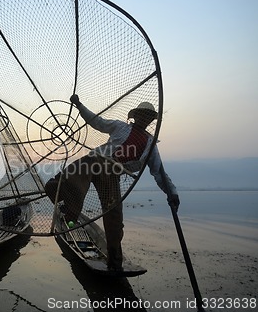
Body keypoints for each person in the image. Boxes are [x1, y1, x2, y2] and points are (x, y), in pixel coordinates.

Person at [45, 94, 179, 271]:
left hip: (111, 176)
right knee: (58, 184)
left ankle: (115, 263)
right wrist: (79, 105)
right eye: (141, 115)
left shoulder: (150, 144)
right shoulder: (120, 126)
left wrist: (172, 193)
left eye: (147, 116)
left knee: (114, 218)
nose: (143, 119)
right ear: (135, 116)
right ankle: (69, 212)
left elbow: (159, 172)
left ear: (150, 120)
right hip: (94, 162)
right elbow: (96, 121)